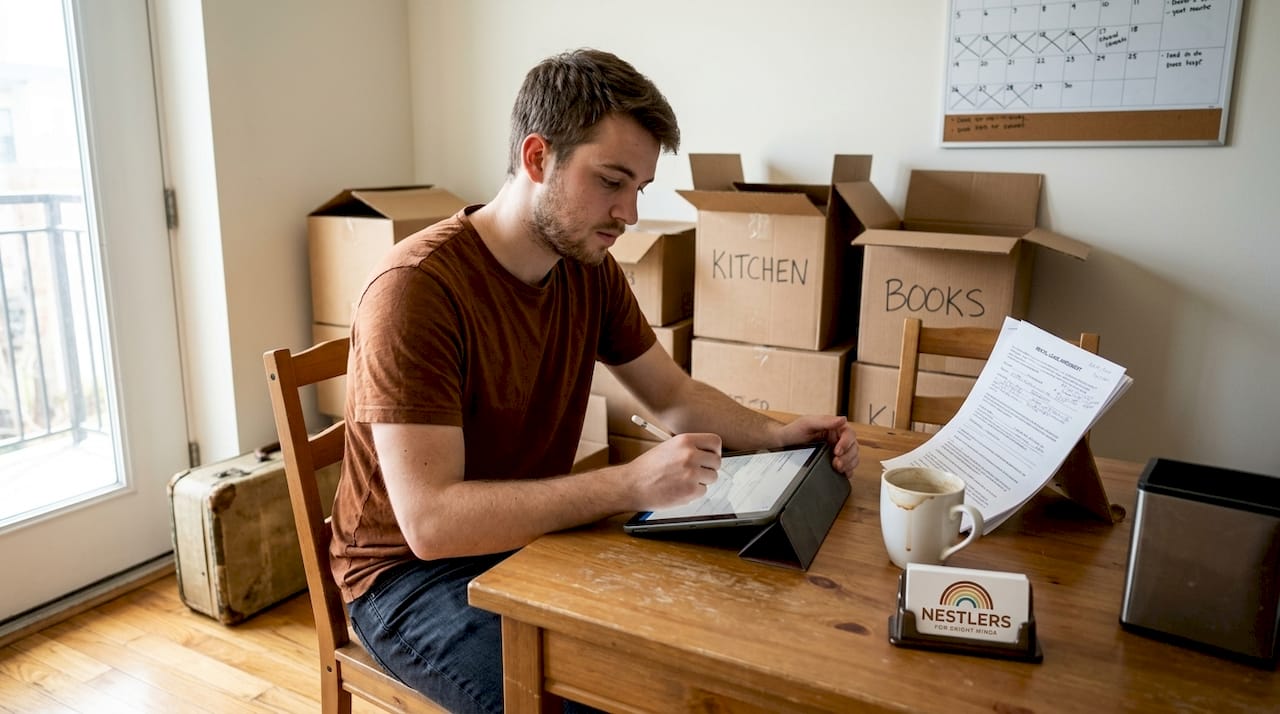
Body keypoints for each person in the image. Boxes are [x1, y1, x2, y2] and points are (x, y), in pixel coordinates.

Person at [331, 48, 860, 714]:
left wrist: (778, 435)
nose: (630, 213)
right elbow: (432, 524)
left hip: (531, 541)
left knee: (704, 652)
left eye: (639, 188)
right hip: (407, 582)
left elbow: (675, 395)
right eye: (612, 182)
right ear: (536, 159)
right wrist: (632, 484)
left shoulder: (587, 268)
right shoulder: (417, 291)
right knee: (598, 698)